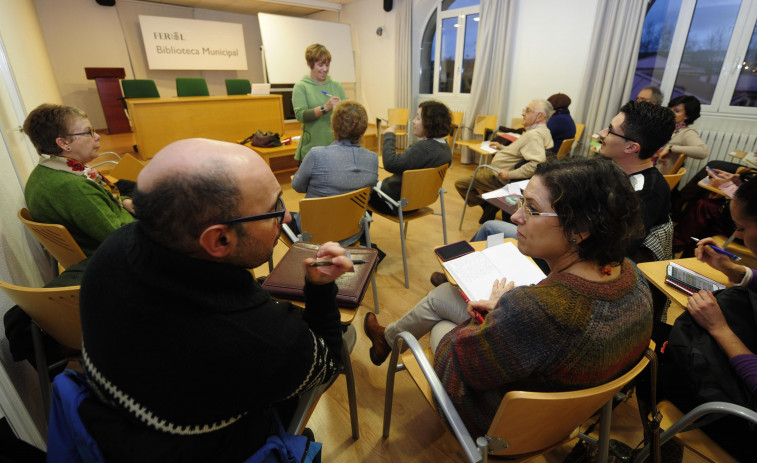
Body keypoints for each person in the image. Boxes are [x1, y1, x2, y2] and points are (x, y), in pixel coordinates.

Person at [76, 138, 354, 462]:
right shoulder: (260, 341)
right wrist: (319, 290)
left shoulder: (113, 250)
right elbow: (328, 362)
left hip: (116, 429)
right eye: (274, 209)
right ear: (220, 239)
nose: (288, 217)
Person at [365, 157, 653, 437]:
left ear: (580, 229)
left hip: (498, 427)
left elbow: (457, 367)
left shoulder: (535, 311)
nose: (515, 216)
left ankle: (388, 340)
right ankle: (386, 339)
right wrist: (506, 313)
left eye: (531, 209)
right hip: (565, 418)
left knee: (441, 323)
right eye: (521, 202)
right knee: (443, 295)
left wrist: (494, 316)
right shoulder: (634, 279)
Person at [643, 178, 757, 461]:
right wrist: (733, 270)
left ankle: (659, 450)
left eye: (741, 228)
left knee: (648, 362)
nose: (738, 237)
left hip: (747, 419)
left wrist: (719, 329)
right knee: (655, 335)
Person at [22, 103, 135, 256]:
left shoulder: (45, 170)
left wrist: (126, 202)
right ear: (64, 143)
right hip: (115, 255)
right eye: (88, 132)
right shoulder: (74, 188)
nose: (97, 136)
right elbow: (124, 240)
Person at [597, 100, 676, 263]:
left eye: (610, 130)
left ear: (631, 148)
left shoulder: (647, 191)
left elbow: (619, 247)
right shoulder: (613, 167)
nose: (602, 133)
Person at [290, 101, 378, 243]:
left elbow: (297, 186)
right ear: (364, 128)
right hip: (352, 233)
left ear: (333, 126)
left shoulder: (316, 155)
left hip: (313, 235)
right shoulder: (373, 159)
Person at [454, 99, 554, 224]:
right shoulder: (543, 132)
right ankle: (491, 204)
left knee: (461, 184)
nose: (523, 113)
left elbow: (536, 164)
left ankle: (487, 205)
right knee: (479, 186)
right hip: (503, 175)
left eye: (528, 111)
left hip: (498, 175)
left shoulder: (533, 135)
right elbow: (521, 154)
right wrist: (502, 148)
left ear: (541, 116)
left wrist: (509, 174)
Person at [368, 100, 452, 215]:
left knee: (360, 187)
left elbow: (390, 163)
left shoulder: (422, 149)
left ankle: (361, 232)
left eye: (418, 118)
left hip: (394, 203)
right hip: (417, 202)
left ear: (429, 123)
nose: (413, 121)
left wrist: (389, 136)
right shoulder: (446, 149)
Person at [292, 43, 346, 163]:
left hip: (335, 150)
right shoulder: (301, 86)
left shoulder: (336, 85)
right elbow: (301, 115)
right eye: (320, 65)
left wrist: (342, 109)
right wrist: (326, 107)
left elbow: (347, 114)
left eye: (327, 65)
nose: (325, 69)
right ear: (310, 64)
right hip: (311, 152)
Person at [656, 95, 708, 175]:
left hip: (655, 177)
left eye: (676, 111)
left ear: (687, 116)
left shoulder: (686, 132)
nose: (670, 112)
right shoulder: (667, 128)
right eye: (670, 109)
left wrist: (671, 148)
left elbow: (703, 152)